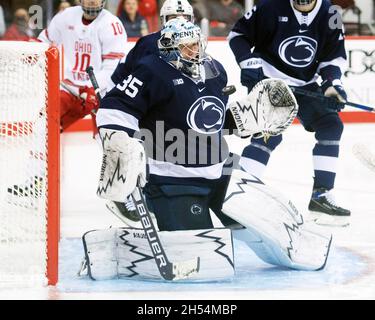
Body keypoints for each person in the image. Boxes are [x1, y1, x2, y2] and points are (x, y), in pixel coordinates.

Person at [90, 18, 332, 280]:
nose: (195, 51)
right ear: (170, 48)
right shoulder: (150, 71)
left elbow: (208, 121)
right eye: (187, 47)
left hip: (222, 172)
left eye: (197, 44)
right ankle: (130, 244)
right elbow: (114, 107)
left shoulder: (214, 68)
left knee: (270, 229)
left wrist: (244, 119)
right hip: (173, 180)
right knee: (205, 259)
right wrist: (120, 141)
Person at [228, 0, 350, 226]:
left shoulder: (330, 13)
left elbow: (332, 58)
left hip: (306, 84)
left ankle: (321, 195)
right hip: (269, 80)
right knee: (270, 134)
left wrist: (333, 84)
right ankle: (239, 196)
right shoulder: (270, 6)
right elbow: (238, 36)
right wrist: (249, 63)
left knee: (331, 126)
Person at [7, 1, 127, 203]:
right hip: (71, 89)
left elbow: (113, 66)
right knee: (42, 126)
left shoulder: (112, 25)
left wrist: (95, 88)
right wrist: (31, 54)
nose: (92, 1)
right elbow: (45, 40)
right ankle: (35, 180)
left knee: (107, 138)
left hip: (100, 91)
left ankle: (123, 191)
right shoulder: (65, 17)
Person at [106, 0, 195, 227]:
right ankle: (124, 192)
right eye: (173, 17)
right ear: (163, 21)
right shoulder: (147, 43)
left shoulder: (195, 43)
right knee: (135, 148)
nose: (178, 22)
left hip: (174, 108)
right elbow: (122, 77)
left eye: (183, 18)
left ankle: (162, 194)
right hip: (147, 108)